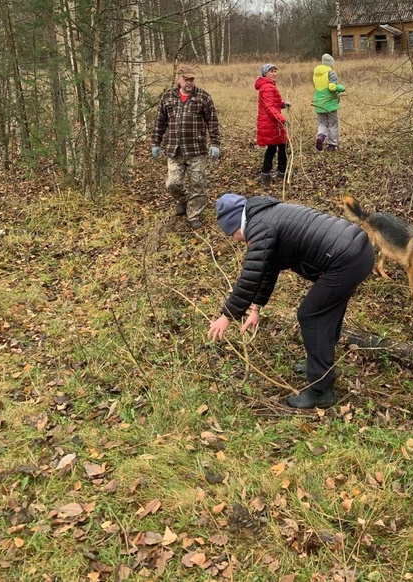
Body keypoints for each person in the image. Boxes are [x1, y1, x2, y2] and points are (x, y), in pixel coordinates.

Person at [208, 193, 375, 409]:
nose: (235, 239)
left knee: (311, 315)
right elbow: (268, 268)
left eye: (232, 233)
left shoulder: (260, 227)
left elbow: (249, 277)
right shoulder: (265, 215)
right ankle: (319, 365)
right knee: (326, 312)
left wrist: (226, 316)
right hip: (357, 251)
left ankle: (320, 391)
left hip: (346, 260)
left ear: (235, 223)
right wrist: (256, 308)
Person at [151, 65, 221, 230]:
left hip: (196, 150)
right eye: (186, 79)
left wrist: (215, 144)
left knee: (198, 184)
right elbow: (160, 122)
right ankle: (184, 199)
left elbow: (213, 122)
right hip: (174, 150)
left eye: (191, 79)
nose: (189, 82)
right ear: (178, 79)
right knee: (172, 184)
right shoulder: (168, 97)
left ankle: (194, 215)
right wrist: (156, 143)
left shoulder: (203, 97)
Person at [255, 63, 290, 185]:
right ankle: (280, 172)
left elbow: (273, 104)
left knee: (274, 147)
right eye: (271, 71)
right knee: (282, 146)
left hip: (272, 122)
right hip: (271, 123)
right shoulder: (267, 87)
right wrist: (282, 119)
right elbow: (270, 108)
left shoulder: (268, 86)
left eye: (275, 71)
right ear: (265, 74)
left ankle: (267, 174)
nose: (275, 73)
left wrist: (282, 104)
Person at [313, 53, 345, 151]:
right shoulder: (331, 73)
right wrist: (341, 87)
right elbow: (332, 88)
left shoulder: (316, 74)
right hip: (330, 103)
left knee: (322, 123)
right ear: (330, 63)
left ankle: (320, 136)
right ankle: (332, 145)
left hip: (318, 102)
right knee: (333, 124)